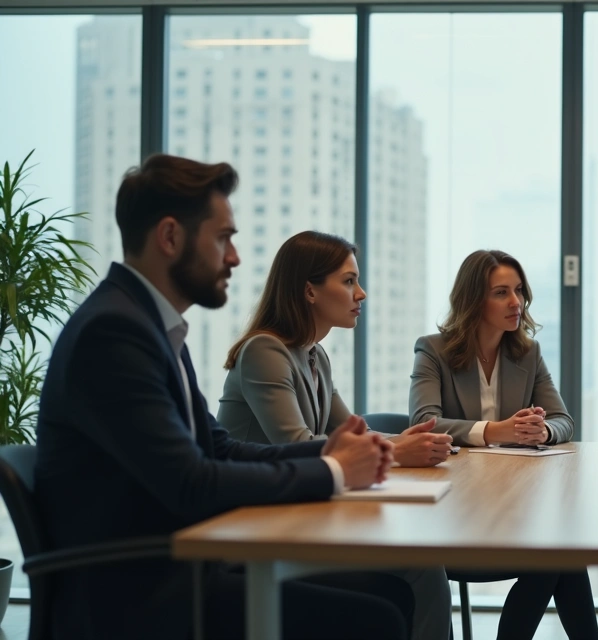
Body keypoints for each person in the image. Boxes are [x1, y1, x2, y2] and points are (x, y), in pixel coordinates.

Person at [34, 154, 410, 640]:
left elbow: (220, 449)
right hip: (139, 593)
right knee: (377, 618)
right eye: (223, 237)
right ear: (170, 237)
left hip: (177, 567)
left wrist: (328, 451)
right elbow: (191, 484)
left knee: (391, 595)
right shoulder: (115, 333)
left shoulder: (149, 325)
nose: (233, 257)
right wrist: (335, 471)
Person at [217, 230, 454, 639]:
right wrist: (398, 451)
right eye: (348, 281)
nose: (360, 293)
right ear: (309, 291)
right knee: (421, 565)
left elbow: (349, 431)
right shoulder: (264, 351)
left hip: (303, 514)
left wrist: (404, 442)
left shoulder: (314, 355)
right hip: (259, 530)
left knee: (421, 564)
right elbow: (295, 445)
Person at [410, 249, 598, 640]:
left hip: (515, 503)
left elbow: (563, 420)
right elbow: (422, 423)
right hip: (453, 508)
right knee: (560, 556)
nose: (516, 302)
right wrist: (497, 431)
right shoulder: (434, 350)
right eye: (501, 293)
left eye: (518, 291)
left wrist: (541, 433)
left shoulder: (527, 352)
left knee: (561, 554)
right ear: (473, 300)